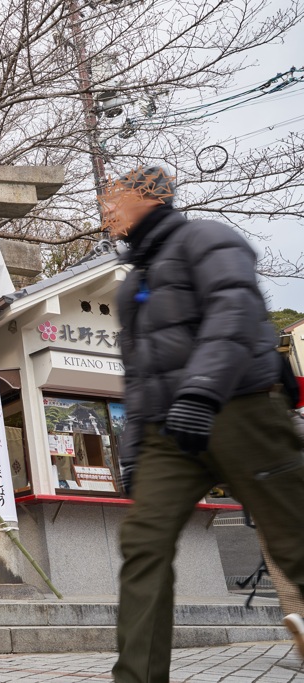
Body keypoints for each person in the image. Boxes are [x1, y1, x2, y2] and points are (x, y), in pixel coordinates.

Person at [104, 166, 304, 680]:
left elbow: (232, 312)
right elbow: (138, 376)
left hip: (241, 408)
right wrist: (132, 451)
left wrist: (201, 390)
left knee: (295, 540)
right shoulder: (132, 285)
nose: (107, 207)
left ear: (152, 196)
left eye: (115, 196)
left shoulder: (208, 238)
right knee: (143, 544)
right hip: (168, 433)